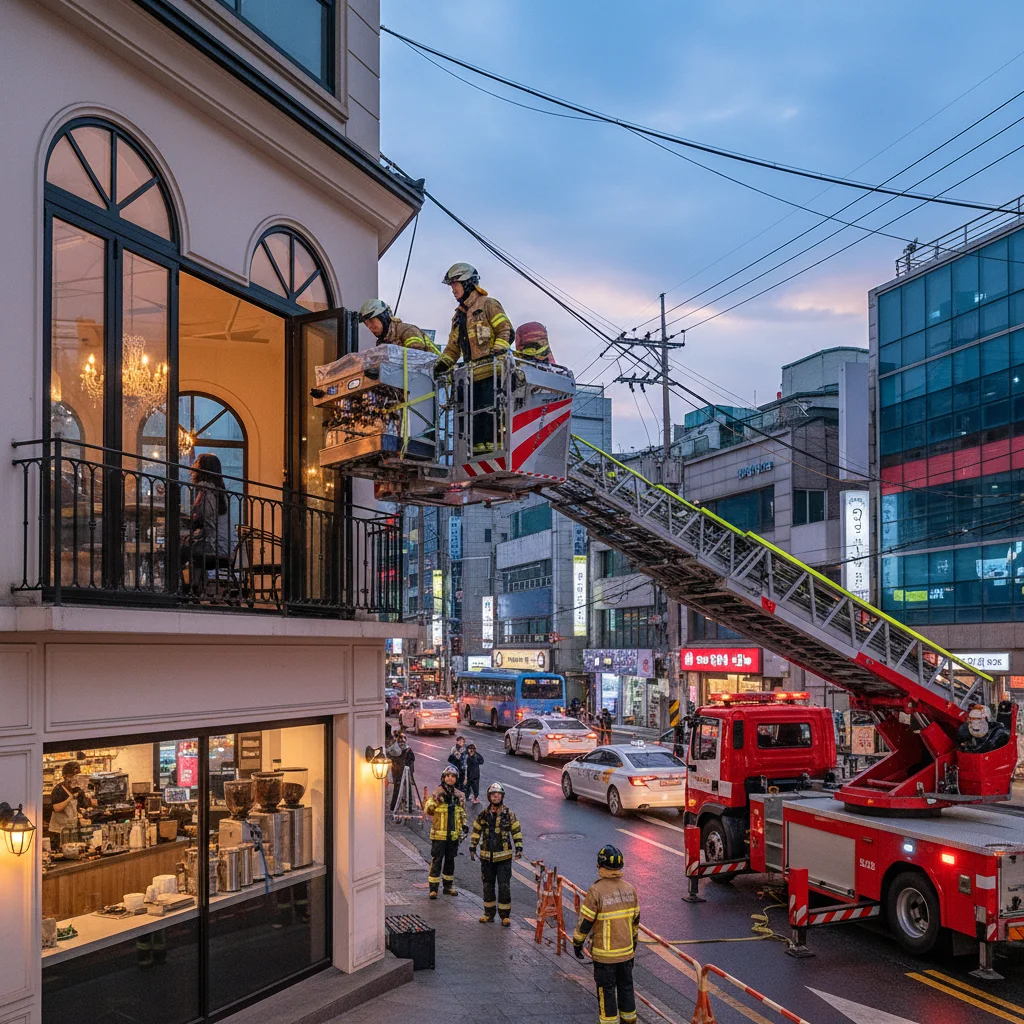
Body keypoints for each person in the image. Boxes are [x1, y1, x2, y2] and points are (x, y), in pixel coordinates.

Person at [434, 262, 513, 455]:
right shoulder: (459, 316)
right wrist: (442, 364)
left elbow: (506, 330)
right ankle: (474, 451)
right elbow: (453, 347)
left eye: (455, 284)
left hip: (490, 373)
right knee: (468, 417)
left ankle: (490, 449)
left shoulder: (488, 305)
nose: (453, 290)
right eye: (451, 286)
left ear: (468, 283)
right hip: (469, 377)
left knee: (488, 412)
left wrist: (499, 349)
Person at [573, 845, 640, 1024]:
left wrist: (577, 943)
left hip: (605, 957)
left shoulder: (596, 891)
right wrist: (632, 949)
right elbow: (635, 924)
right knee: (626, 990)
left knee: (607, 993)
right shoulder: (630, 889)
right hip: (626, 954)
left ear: (601, 866)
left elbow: (585, 923)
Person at [469, 782, 523, 925]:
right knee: (488, 886)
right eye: (493, 794)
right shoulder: (484, 815)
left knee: (504, 887)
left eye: (498, 794)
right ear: (489, 797)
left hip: (504, 858)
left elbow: (516, 832)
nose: (496, 796)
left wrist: (519, 848)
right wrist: (473, 847)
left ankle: (505, 916)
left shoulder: (509, 814)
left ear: (502, 796)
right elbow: (476, 831)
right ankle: (489, 914)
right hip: (487, 858)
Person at [180, 452, 231, 596]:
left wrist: (193, 526)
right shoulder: (218, 491)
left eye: (197, 462)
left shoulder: (207, 490)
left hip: (215, 545)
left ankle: (188, 588)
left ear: (203, 468)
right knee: (187, 547)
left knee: (181, 550)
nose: (193, 465)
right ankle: (195, 588)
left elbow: (207, 521)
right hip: (224, 544)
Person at [423, 766, 466, 898]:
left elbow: (462, 814)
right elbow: (428, 810)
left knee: (450, 861)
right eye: (447, 775)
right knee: (437, 861)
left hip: (452, 836)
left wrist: (464, 826)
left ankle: (448, 887)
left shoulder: (460, 795)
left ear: (456, 779)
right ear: (443, 777)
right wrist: (437, 800)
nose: (450, 778)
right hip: (439, 835)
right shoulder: (437, 792)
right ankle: (433, 889)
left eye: (453, 776)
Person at [358, 298, 440, 353]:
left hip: (439, 377)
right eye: (366, 324)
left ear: (383, 317)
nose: (370, 327)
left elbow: (416, 356)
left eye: (372, 322)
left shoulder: (407, 330)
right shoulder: (382, 343)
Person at [48, 761, 96, 848]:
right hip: (59, 830)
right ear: (65, 776)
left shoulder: (78, 790)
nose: (74, 779)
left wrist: (91, 804)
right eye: (72, 776)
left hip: (73, 828)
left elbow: (84, 804)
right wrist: (70, 798)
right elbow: (56, 808)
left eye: (76, 777)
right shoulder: (58, 789)